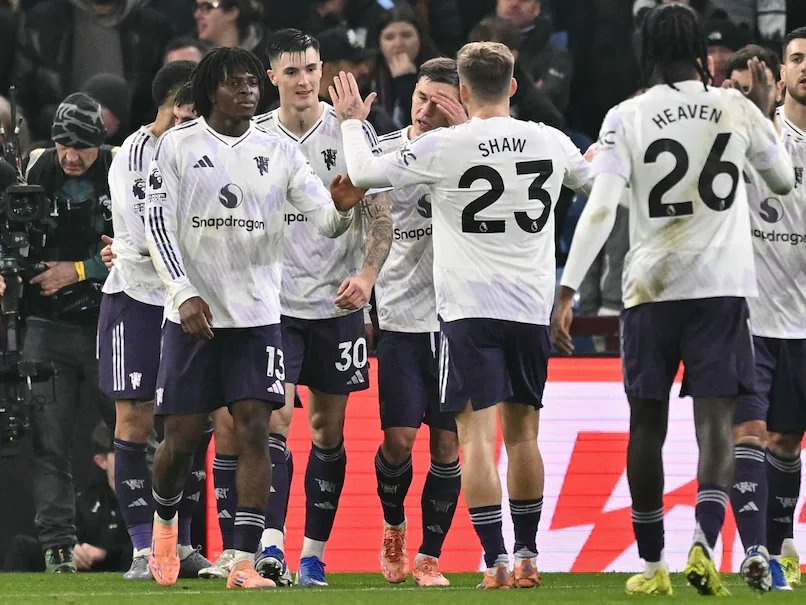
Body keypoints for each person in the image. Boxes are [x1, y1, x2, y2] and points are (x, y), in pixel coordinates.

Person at [550, 3, 794, 596]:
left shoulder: (627, 114)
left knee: (646, 425)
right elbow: (783, 180)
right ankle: (704, 542)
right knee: (717, 422)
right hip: (720, 288)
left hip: (650, 288)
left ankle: (652, 565)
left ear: (645, 48)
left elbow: (601, 208)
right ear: (697, 49)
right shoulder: (735, 107)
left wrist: (568, 288)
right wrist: (762, 109)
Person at [331, 41, 592, 589]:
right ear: (513, 86)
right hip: (529, 307)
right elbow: (592, 181)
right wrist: (608, 152)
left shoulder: (446, 146)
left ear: (464, 91)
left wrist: (353, 122)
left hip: (469, 311)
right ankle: (527, 556)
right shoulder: (549, 139)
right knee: (524, 437)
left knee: (473, 440)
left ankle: (495, 560)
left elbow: (363, 170)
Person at [143, 46, 363, 590]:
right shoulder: (177, 145)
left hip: (260, 316)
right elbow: (157, 224)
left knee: (256, 430)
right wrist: (183, 292)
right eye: (234, 83)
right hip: (193, 317)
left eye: (250, 82)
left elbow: (323, 219)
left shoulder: (278, 151)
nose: (247, 90)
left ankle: (243, 560)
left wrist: (343, 207)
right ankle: (165, 524)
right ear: (209, 90)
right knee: (181, 439)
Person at [250, 28, 390, 588]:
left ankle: (313, 555)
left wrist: (368, 276)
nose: (305, 80)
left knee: (328, 431)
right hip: (275, 306)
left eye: (311, 68)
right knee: (275, 421)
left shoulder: (351, 131)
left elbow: (381, 216)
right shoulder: (254, 136)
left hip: (337, 304)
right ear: (272, 78)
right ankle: (270, 546)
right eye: (292, 72)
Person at [97, 60, 211, 582]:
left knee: (186, 426)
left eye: (194, 115)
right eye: (181, 114)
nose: (187, 123)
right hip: (138, 299)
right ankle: (144, 549)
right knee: (135, 423)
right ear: (164, 107)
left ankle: (182, 545)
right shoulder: (135, 154)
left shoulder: (204, 149)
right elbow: (148, 238)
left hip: (187, 300)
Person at [369, 57, 467, 587]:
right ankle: (393, 525)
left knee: (448, 447)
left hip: (455, 321)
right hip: (401, 318)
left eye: (438, 102)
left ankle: (430, 556)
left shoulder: (472, 155)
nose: (426, 109)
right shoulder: (383, 155)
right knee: (399, 442)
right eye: (420, 98)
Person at [22, 92, 117, 574]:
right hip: (47, 323)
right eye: (64, 144)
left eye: (82, 147)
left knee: (131, 434)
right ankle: (57, 545)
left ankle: (150, 538)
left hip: (108, 321)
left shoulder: (120, 169)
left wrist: (77, 270)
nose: (71, 156)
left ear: (101, 143)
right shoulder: (34, 167)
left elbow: (136, 244)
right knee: (49, 440)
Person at [726, 32, 806, 592]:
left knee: (786, 441)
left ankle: (780, 545)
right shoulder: (760, 137)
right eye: (798, 59)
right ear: (781, 73)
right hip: (752, 317)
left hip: (802, 321)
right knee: (751, 432)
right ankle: (759, 553)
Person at [12, 0, 170, 141]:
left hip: (130, 146)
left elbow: (159, 99)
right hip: (54, 143)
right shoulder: (43, 22)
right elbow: (21, 91)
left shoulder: (153, 28)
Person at [2, 423, 133, 573]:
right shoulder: (87, 499)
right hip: (83, 567)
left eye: (132, 452)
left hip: (120, 565)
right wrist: (74, 549)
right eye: (119, 452)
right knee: (22, 546)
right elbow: (74, 531)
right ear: (101, 461)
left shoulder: (148, 497)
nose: (128, 459)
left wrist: (106, 555)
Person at [371, 5, 440, 128]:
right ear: (379, 43)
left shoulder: (441, 74)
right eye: (389, 37)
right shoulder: (369, 75)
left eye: (406, 35)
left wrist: (406, 82)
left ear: (420, 39)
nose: (398, 44)